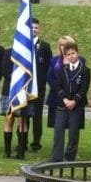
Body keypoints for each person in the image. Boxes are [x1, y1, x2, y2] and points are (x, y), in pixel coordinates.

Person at [50, 41, 90, 162]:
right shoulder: (63, 69)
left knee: (73, 132)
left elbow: (84, 88)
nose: (71, 56)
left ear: (77, 53)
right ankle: (56, 156)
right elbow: (58, 86)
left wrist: (74, 101)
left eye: (73, 53)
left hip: (76, 105)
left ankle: (70, 156)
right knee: (58, 129)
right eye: (68, 54)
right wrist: (65, 99)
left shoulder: (85, 70)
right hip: (63, 104)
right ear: (65, 56)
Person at [28, 18, 53, 152]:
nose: (34, 30)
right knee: (23, 115)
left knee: (37, 116)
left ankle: (36, 143)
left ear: (39, 29)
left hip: (39, 87)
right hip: (24, 86)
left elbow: (50, 67)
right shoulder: (22, 44)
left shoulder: (45, 46)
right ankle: (22, 141)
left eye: (36, 27)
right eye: (31, 27)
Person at [0, 45, 28, 159]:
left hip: (23, 92)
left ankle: (21, 152)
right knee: (9, 120)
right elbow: (5, 71)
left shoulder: (27, 53)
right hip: (9, 91)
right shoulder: (8, 52)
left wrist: (21, 84)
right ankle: (7, 152)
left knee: (22, 122)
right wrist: (17, 81)